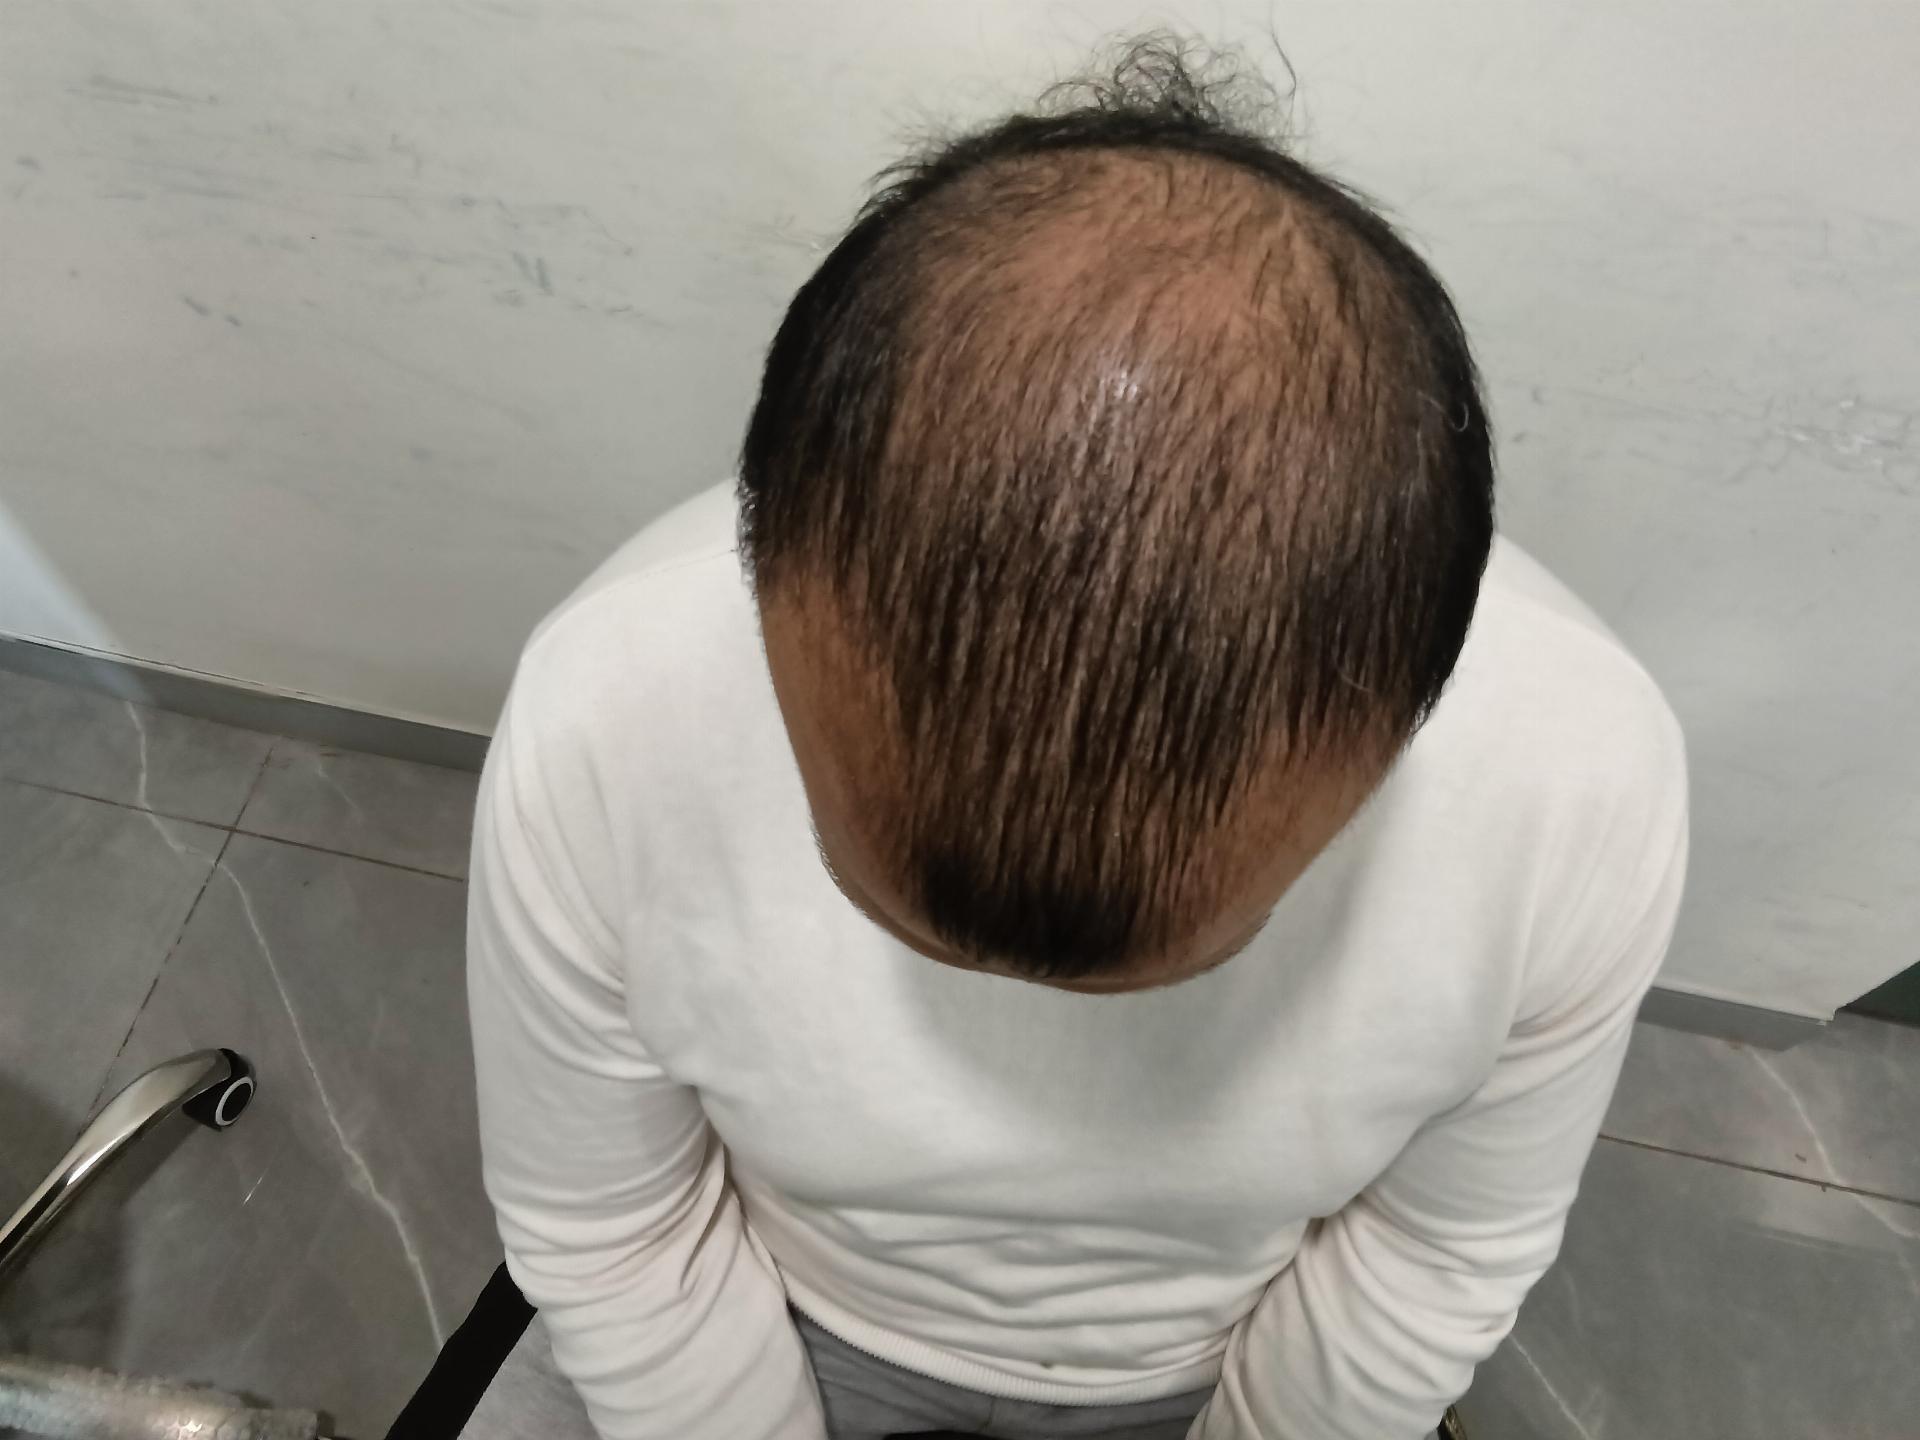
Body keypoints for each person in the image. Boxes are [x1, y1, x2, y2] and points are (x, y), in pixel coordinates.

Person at [466, 38, 1688, 1440]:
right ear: (762, 562)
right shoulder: (608, 705)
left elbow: (1431, 1254)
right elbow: (610, 1224)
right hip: (749, 1304)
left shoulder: (1577, 784)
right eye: (883, 906)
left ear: (1411, 722)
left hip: (1235, 1359)